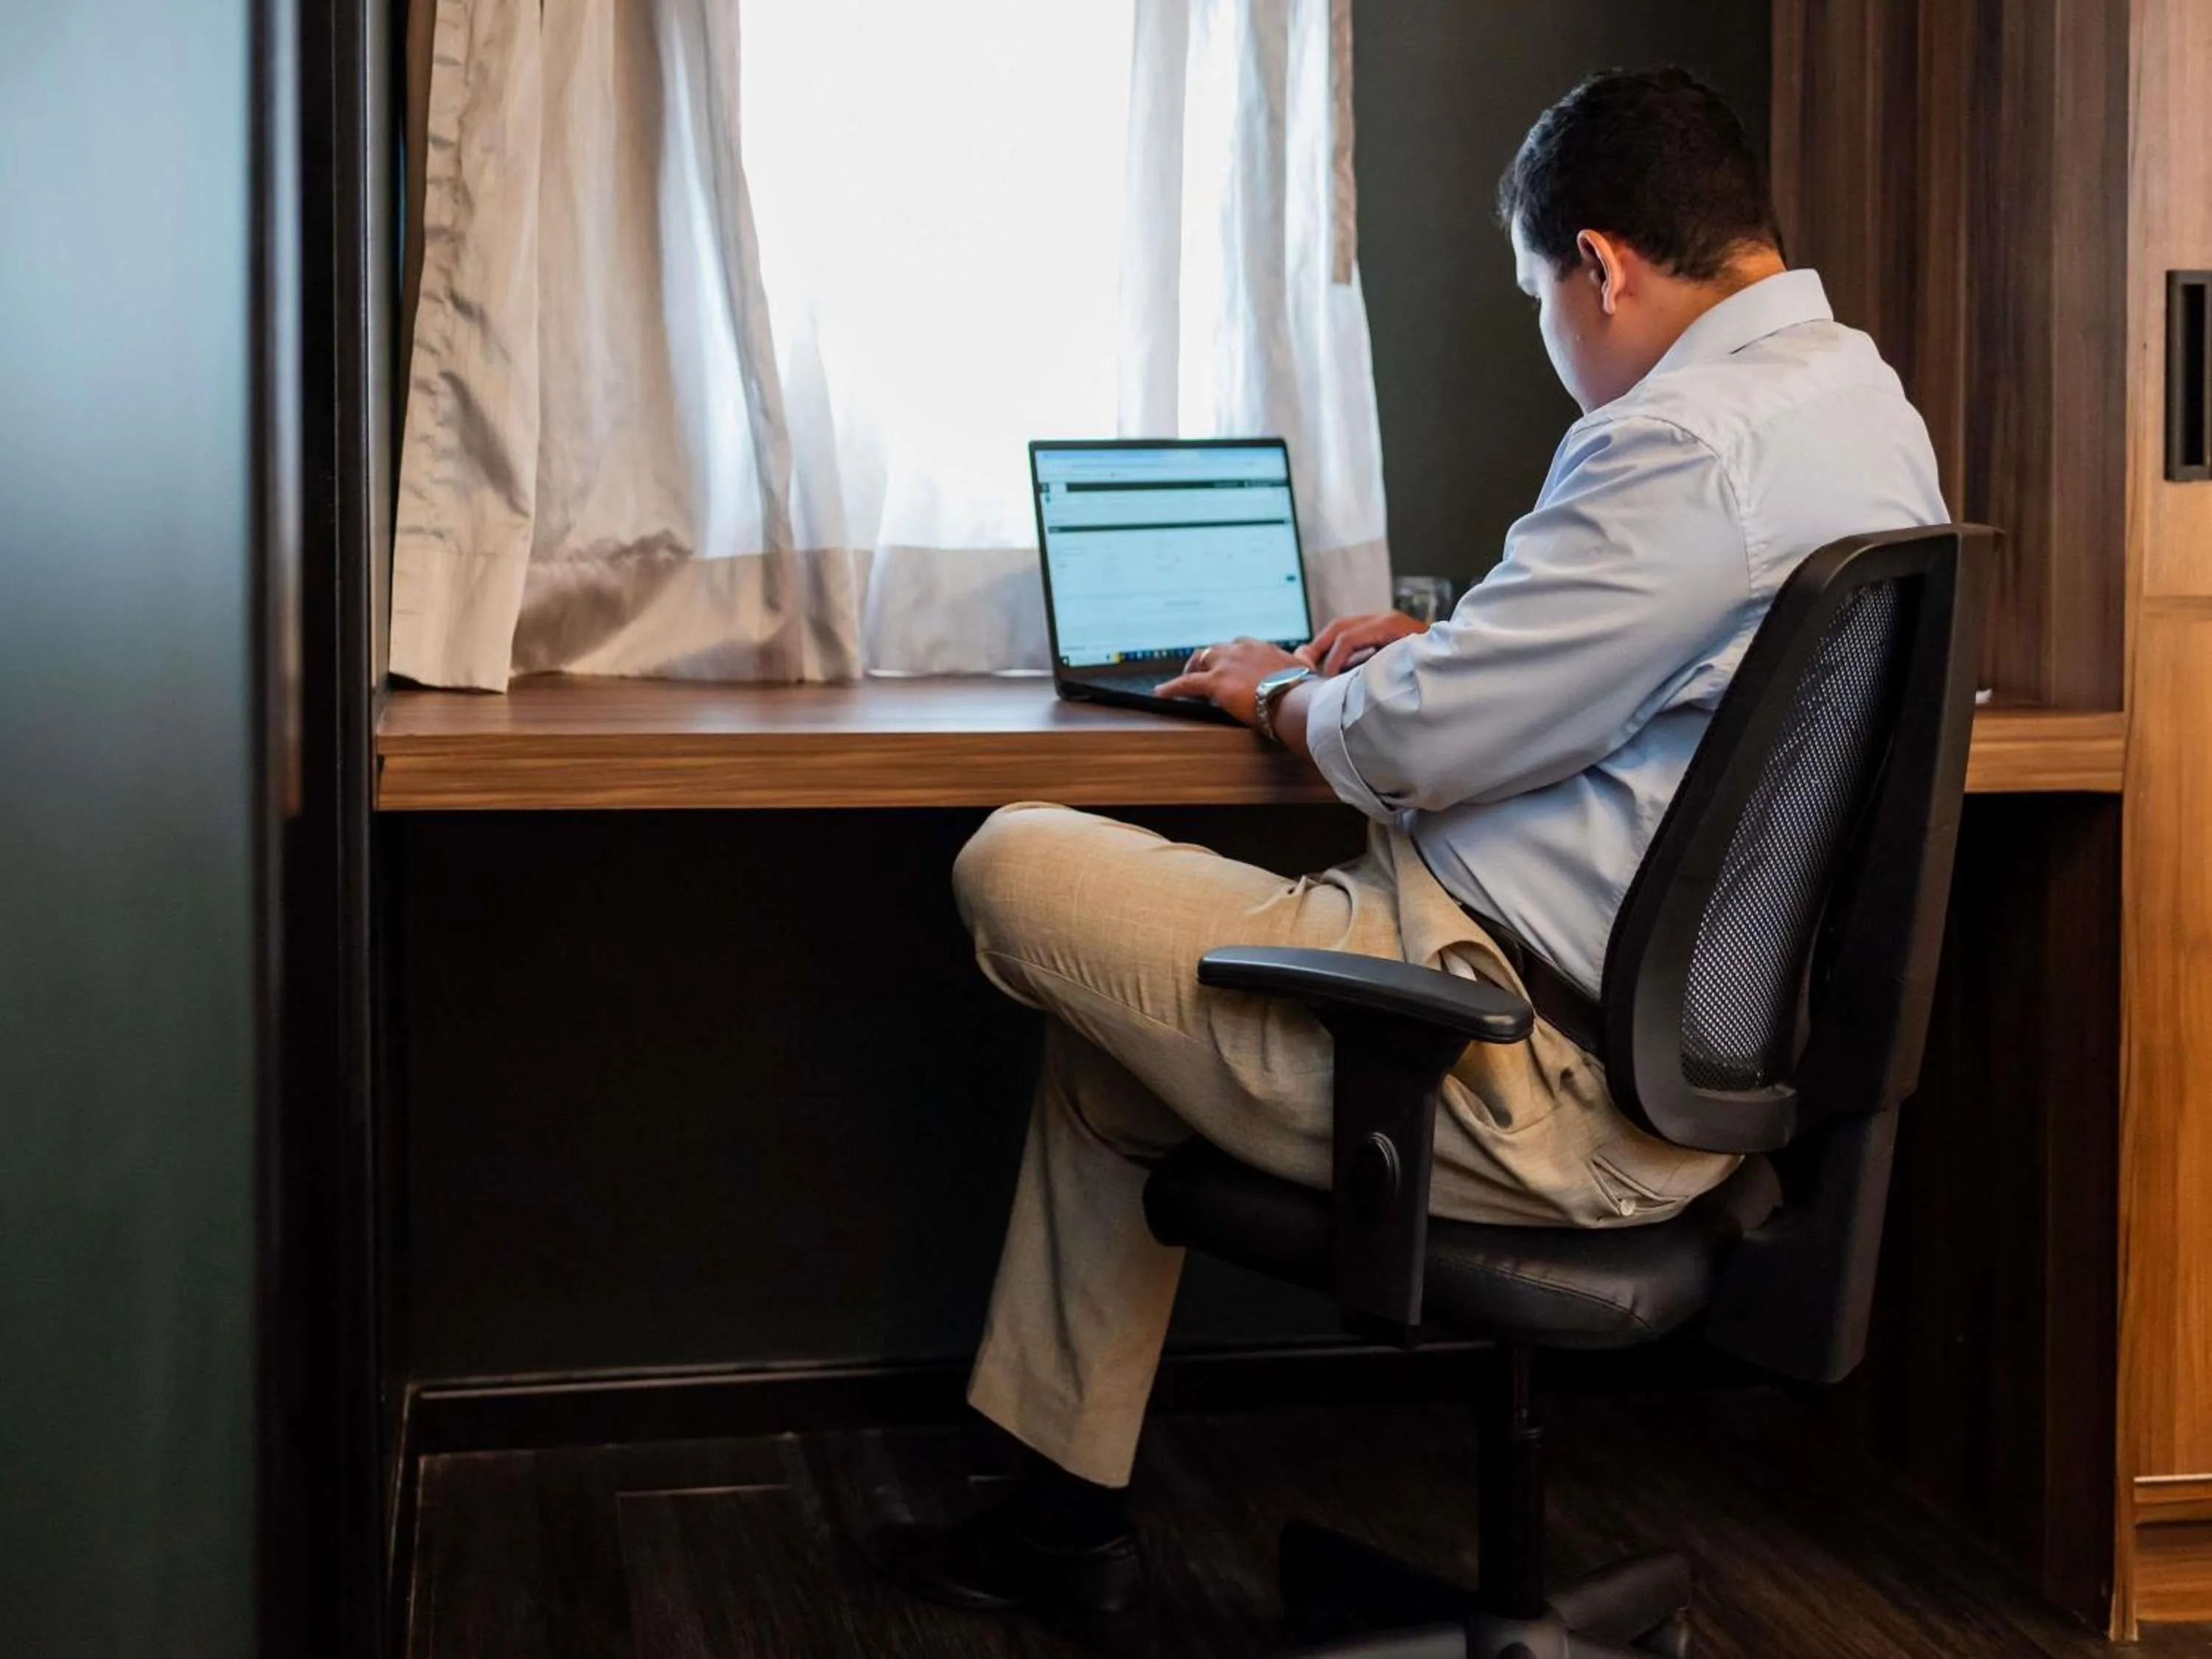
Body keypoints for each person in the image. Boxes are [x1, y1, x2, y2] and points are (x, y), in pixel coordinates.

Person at [874, 66, 1947, 1645]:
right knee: (1114, 1051)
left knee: (1012, 858)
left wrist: (1285, 690)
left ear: (1602, 266)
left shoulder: (1681, 441)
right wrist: (1449, 647)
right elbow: (1656, 691)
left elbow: (1423, 750)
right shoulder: (1859, 403)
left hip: (1515, 1061)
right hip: (1680, 1063)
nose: (1550, 336)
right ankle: (1063, 1523)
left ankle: (1061, 1532)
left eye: (1539, 297)